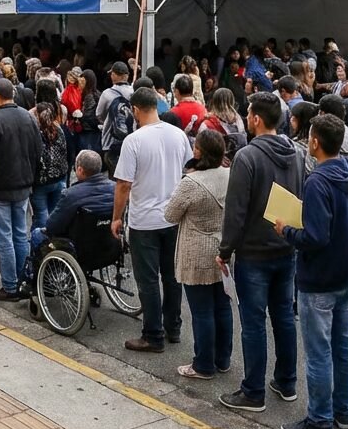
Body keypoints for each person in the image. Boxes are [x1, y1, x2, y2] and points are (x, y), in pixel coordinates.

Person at [273, 114, 348, 429]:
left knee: (319, 352)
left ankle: (320, 419)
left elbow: (315, 236)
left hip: (320, 278)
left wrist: (287, 230)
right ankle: (344, 410)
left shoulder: (317, 182)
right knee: (343, 345)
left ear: (314, 142)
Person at [217, 91, 305, 412]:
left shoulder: (247, 157)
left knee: (253, 322)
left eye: (249, 113)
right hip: (286, 245)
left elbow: (236, 211)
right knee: (283, 316)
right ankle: (286, 381)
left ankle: (253, 391)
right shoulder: (296, 153)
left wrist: (225, 250)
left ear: (255, 118)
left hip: (254, 252)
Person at [111, 86, 191, 351]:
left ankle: (153, 334)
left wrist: (116, 218)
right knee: (172, 277)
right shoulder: (178, 135)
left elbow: (124, 184)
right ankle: (173, 327)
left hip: (144, 220)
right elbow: (188, 170)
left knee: (148, 280)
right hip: (173, 218)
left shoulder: (133, 141)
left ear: (135, 110)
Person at [163, 129, 233, 380]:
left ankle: (203, 364)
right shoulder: (229, 174)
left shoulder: (191, 183)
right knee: (222, 306)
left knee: (202, 311)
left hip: (197, 252)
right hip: (223, 247)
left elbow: (170, 215)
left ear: (199, 152)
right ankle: (222, 359)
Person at [0, 79, 42, 302]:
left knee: (4, 237)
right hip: (23, 183)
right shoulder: (28, 116)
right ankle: (23, 281)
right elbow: (38, 149)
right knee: (20, 235)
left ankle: (10, 285)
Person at [30, 102, 69, 231]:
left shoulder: (35, 134)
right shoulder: (59, 130)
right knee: (55, 214)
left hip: (41, 181)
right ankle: (54, 238)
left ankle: (40, 240)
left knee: (41, 215)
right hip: (59, 177)